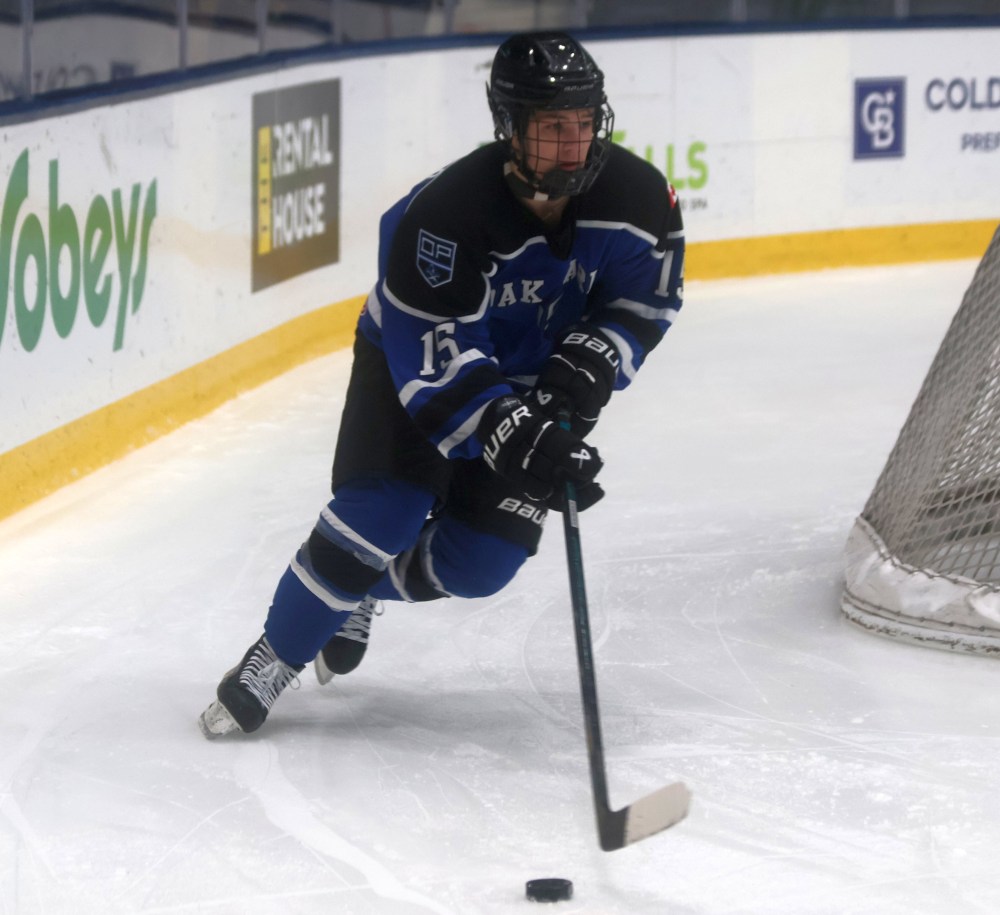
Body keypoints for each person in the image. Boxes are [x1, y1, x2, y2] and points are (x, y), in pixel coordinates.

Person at [199, 30, 685, 738]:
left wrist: (591, 359)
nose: (572, 144)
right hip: (414, 368)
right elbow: (438, 363)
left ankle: (357, 589)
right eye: (552, 128)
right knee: (382, 515)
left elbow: (645, 301)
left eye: (583, 123)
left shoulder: (640, 199)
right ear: (510, 129)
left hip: (528, 384)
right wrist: (513, 435)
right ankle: (275, 654)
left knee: (482, 564)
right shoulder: (444, 219)